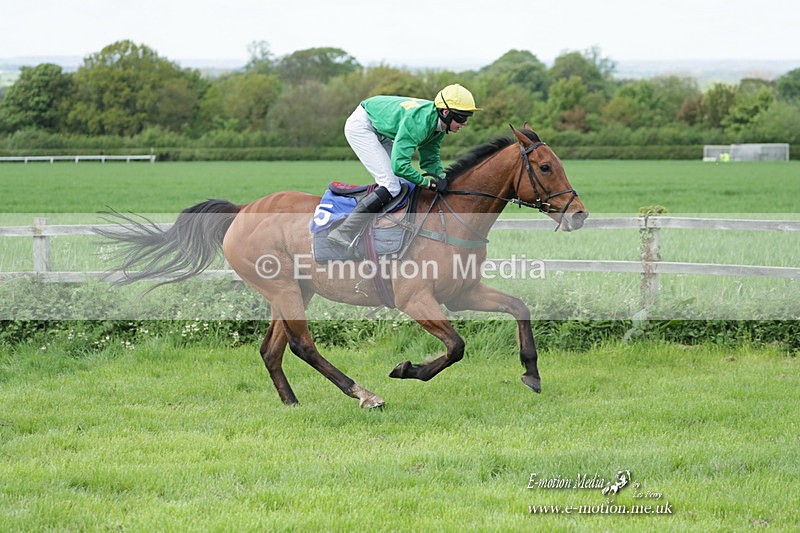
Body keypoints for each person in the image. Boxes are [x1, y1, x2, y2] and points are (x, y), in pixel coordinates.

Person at [327, 83, 480, 251]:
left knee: (404, 185)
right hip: (363, 126)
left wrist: (444, 180)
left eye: (468, 117)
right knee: (391, 185)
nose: (464, 123)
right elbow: (399, 165)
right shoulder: (419, 122)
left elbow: (430, 159)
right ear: (446, 112)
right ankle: (344, 231)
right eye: (461, 118)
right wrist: (426, 183)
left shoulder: (438, 126)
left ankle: (394, 228)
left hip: (383, 129)